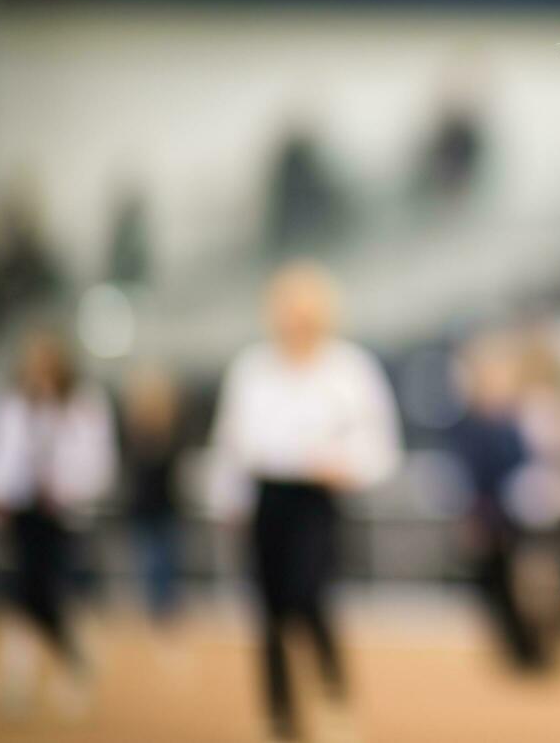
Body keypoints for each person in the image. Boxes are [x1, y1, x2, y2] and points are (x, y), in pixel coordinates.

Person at [209, 262, 403, 742]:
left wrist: (345, 467)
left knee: (310, 598)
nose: (295, 320)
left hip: (317, 500)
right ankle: (280, 716)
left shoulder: (349, 369)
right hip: (266, 499)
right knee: (269, 610)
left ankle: (333, 697)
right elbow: (231, 446)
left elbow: (380, 447)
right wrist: (227, 503)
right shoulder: (251, 369)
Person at [0, 329, 117, 717]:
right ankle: (38, 671)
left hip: (63, 514)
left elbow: (99, 461)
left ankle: (68, 665)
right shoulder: (9, 398)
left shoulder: (83, 402)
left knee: (44, 593)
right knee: (24, 593)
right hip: (21, 508)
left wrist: (70, 488)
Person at [122, 364, 184, 628]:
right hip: (145, 508)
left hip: (165, 507)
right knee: (151, 563)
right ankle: (155, 610)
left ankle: (164, 611)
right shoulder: (133, 431)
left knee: (163, 563)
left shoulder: (173, 429)